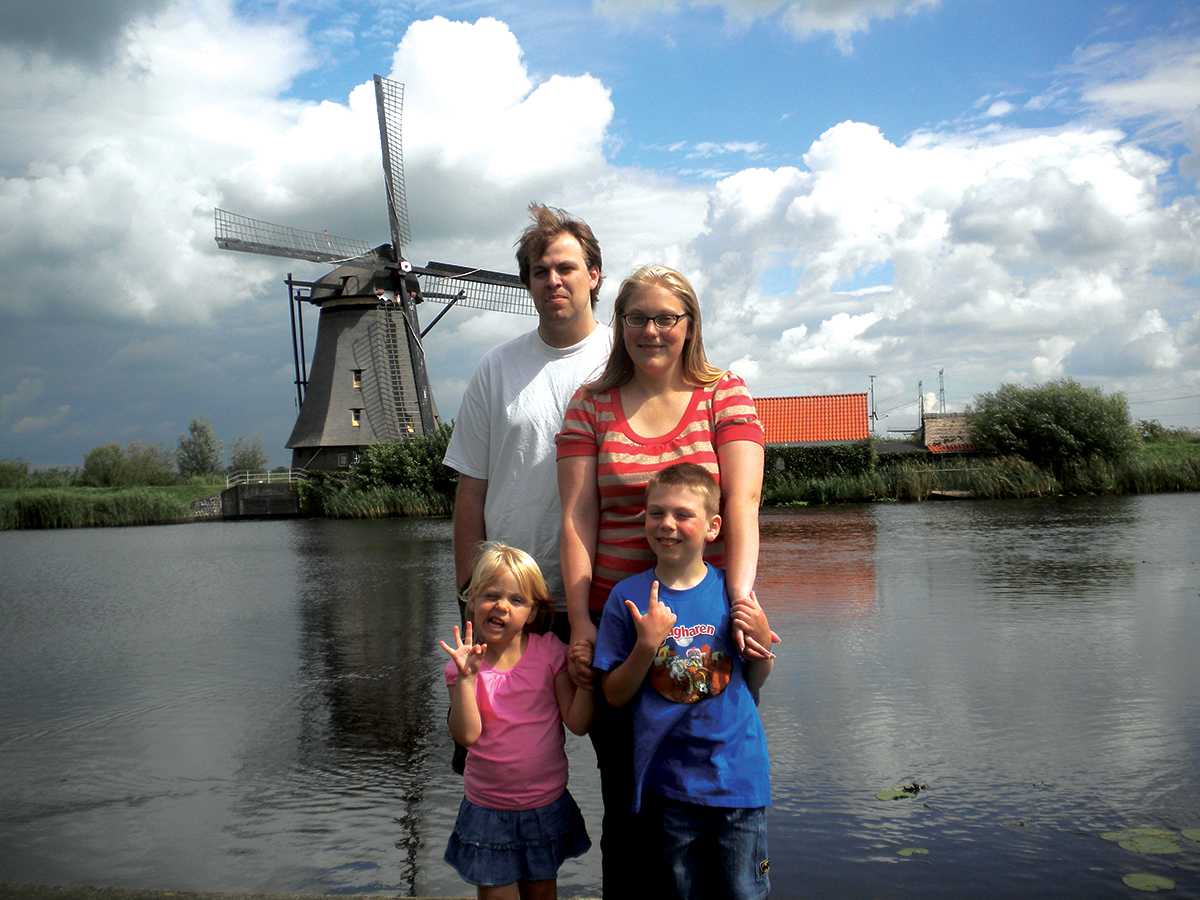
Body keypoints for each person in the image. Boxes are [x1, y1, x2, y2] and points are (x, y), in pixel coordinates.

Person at [555, 264, 768, 895]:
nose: (651, 330)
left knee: (711, 784)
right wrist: (584, 621)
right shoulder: (589, 404)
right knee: (630, 805)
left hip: (705, 623)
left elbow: (744, 503)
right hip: (619, 629)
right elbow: (575, 519)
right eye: (637, 318)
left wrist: (739, 601)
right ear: (619, 325)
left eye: (665, 318)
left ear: (689, 325)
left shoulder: (723, 392)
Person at [593, 463, 773, 899]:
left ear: (714, 526)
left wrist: (763, 639)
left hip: (738, 781)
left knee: (743, 892)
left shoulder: (734, 593)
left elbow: (756, 680)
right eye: (656, 513)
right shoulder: (627, 597)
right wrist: (645, 645)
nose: (667, 525)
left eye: (682, 514)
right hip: (667, 785)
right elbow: (613, 695)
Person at [444, 204, 611, 652]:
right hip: (511, 598)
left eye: (566, 268)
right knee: (502, 722)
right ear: (528, 283)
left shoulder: (623, 358)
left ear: (593, 275)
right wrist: (469, 593)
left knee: (612, 722)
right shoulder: (496, 368)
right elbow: (471, 491)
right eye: (540, 271)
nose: (553, 280)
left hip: (606, 590)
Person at [440, 542, 594, 900]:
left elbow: (577, 722)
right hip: (488, 808)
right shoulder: (463, 665)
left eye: (516, 600)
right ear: (472, 599)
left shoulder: (549, 653)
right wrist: (466, 680)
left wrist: (587, 684)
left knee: (542, 892)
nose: (501, 606)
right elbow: (467, 735)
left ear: (533, 610)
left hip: (544, 803)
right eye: (491, 595)